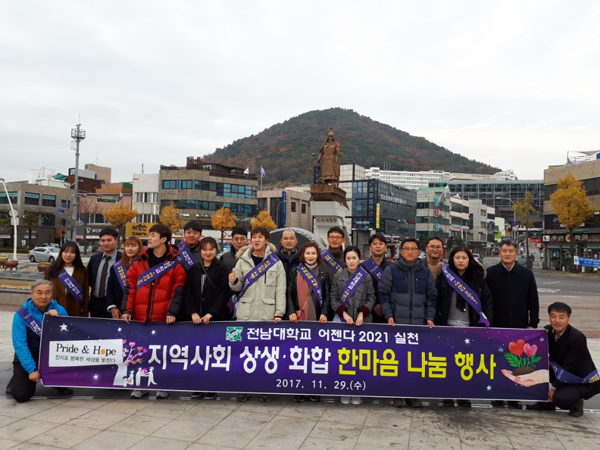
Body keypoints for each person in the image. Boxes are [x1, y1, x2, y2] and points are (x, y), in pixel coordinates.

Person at [122, 223, 187, 400]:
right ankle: (140, 385)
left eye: (153, 235)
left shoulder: (176, 263)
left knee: (161, 353)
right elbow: (130, 288)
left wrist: (172, 312)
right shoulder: (139, 262)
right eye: (149, 235)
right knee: (140, 352)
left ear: (163, 239)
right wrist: (127, 309)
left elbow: (177, 291)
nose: (149, 238)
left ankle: (162, 384)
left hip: (163, 317)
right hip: (140, 316)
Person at [228, 227, 286, 402]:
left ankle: (264, 387)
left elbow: (280, 290)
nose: (257, 240)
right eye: (254, 237)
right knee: (244, 354)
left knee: (265, 355)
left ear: (266, 240)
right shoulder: (242, 261)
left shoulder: (275, 262)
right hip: (245, 314)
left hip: (267, 315)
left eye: (260, 237)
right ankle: (244, 388)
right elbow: (237, 288)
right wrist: (233, 281)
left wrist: (279, 313)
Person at [378, 238, 437, 409]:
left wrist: (430, 317)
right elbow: (383, 294)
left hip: (418, 325)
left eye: (413, 249)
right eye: (406, 249)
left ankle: (412, 395)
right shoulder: (391, 270)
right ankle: (397, 394)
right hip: (397, 324)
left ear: (419, 252)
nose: (410, 252)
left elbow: (432, 297)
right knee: (397, 360)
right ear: (401, 251)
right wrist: (388, 315)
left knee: (415, 362)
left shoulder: (425, 273)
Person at [435, 245, 493, 407]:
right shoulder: (444, 276)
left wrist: (487, 322)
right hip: (447, 325)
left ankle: (463, 394)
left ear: (469, 259)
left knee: (466, 363)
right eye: (457, 258)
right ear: (452, 259)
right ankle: (447, 395)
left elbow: (487, 301)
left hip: (469, 326)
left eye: (464, 258)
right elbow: (436, 299)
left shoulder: (477, 277)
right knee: (448, 363)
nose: (460, 261)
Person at [486, 240, 539, 408]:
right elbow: (484, 300)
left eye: (510, 251)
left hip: (519, 326)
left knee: (516, 362)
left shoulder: (526, 274)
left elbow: (533, 301)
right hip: (496, 325)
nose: (507, 254)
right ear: (499, 253)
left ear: (516, 253)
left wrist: (532, 324)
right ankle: (497, 395)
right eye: (504, 251)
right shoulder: (490, 273)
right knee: (497, 361)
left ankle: (514, 396)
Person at [526, 303, 600, 417]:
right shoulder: (548, 331)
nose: (557, 321)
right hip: (560, 372)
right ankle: (546, 402)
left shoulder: (577, 338)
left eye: (561, 317)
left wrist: (554, 388)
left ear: (568, 318)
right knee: (535, 369)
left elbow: (568, 367)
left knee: (560, 399)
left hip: (579, 379)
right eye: (553, 316)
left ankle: (576, 403)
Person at [182, 237, 230, 400]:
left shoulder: (222, 268)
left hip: (215, 319)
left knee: (214, 354)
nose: (208, 252)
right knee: (198, 354)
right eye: (204, 249)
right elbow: (188, 292)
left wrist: (212, 313)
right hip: (196, 320)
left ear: (216, 250)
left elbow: (224, 293)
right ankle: (197, 386)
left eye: (211, 249)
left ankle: (212, 386)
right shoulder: (194, 268)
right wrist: (193, 313)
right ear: (200, 251)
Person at [8, 280, 72, 402]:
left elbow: (68, 338)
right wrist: (31, 369)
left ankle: (58, 382)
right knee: (21, 395)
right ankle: (15, 380)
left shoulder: (60, 310)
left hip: (51, 357)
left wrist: (58, 321)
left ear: (52, 294)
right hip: (30, 355)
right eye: (39, 292)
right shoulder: (21, 315)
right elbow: (20, 345)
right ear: (31, 294)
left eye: (47, 292)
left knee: (69, 380)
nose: (43, 296)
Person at [330, 246, 376, 406]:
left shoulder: (366, 276)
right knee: (344, 358)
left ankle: (357, 390)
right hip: (343, 321)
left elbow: (371, 297)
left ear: (359, 259)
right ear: (345, 260)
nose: (351, 261)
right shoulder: (338, 276)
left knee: (359, 359)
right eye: (348, 258)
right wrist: (344, 314)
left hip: (362, 322)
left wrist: (362, 313)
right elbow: (333, 298)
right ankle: (344, 389)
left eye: (354, 258)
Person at [44, 241, 89, 317]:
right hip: (54, 311)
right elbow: (44, 289)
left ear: (76, 254)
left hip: (75, 312)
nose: (68, 255)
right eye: (66, 251)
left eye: (72, 252)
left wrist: (84, 313)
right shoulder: (51, 270)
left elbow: (86, 294)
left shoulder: (82, 271)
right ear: (61, 253)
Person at [106, 236, 144, 319]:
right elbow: (110, 288)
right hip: (119, 308)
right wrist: (113, 307)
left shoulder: (146, 266)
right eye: (127, 246)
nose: (130, 249)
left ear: (140, 247)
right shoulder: (117, 266)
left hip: (139, 308)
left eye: (133, 246)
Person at [88, 228, 122, 318]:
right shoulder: (94, 259)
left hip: (116, 305)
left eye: (109, 240)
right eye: (103, 241)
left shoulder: (123, 259)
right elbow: (89, 279)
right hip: (96, 303)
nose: (106, 243)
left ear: (116, 240)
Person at [360, 233, 393, 324]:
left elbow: (394, 290)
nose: (378, 246)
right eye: (374, 244)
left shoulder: (392, 267)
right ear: (370, 247)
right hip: (365, 312)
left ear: (385, 247)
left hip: (387, 313)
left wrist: (383, 306)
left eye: (381, 244)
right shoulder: (362, 267)